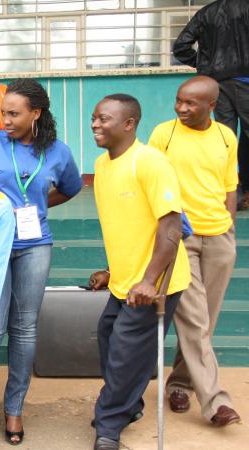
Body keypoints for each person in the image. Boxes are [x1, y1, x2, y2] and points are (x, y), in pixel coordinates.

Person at [0, 78, 82, 448]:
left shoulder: (58, 151)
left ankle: (14, 409)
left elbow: (71, 188)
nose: (5, 120)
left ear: (36, 114)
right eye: (3, 112)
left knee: (25, 329)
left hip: (34, 244)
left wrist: (36, 208)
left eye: (14, 113)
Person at [87, 94, 190, 450]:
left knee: (126, 352)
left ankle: (110, 424)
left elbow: (171, 228)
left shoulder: (149, 162)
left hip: (154, 282)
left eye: (104, 119)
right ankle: (128, 405)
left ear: (129, 124)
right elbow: (126, 225)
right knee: (108, 336)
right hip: (124, 279)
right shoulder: (102, 165)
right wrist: (111, 270)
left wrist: (150, 281)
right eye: (94, 118)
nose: (95, 125)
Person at [147, 76, 240, 427]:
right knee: (196, 320)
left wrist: (227, 225)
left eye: (191, 103)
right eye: (179, 100)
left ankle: (180, 385)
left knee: (206, 321)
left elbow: (230, 186)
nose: (181, 108)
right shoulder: (163, 134)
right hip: (180, 238)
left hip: (218, 237)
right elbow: (150, 181)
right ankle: (216, 403)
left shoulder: (225, 136)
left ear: (211, 106)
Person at [173, 0, 249, 210]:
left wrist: (205, 64)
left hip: (216, 85)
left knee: (225, 137)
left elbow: (180, 46)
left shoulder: (207, 12)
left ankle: (234, 195)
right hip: (246, 82)